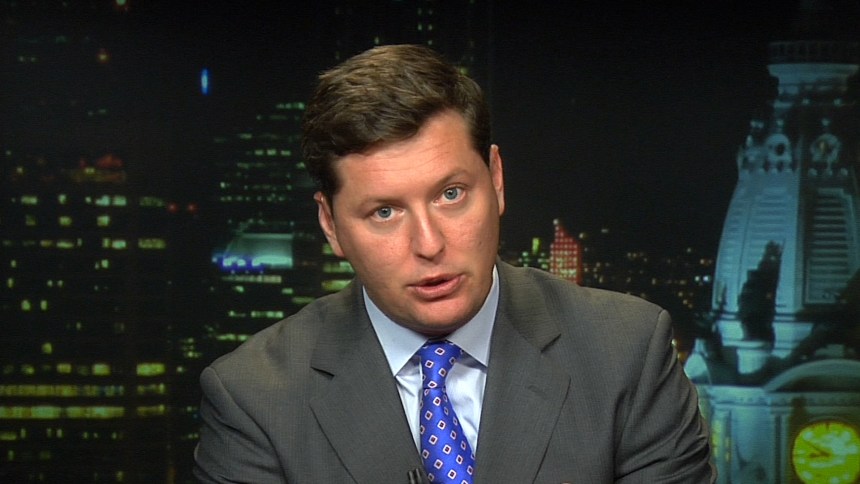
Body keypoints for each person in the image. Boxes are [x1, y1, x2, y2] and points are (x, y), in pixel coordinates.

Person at [193, 44, 715, 483]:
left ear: (496, 180)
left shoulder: (626, 354)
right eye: (384, 212)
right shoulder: (253, 400)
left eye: (451, 194)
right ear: (330, 224)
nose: (429, 243)